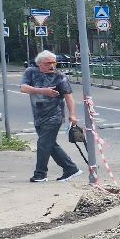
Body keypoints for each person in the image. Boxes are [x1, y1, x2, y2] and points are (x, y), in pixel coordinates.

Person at [19, 50, 80, 183]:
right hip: (38, 116)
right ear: (39, 63)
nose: (52, 66)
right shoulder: (31, 72)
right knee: (49, 145)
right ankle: (70, 169)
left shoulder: (59, 76)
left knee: (43, 144)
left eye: (54, 62)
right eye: (48, 63)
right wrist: (42, 91)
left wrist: (72, 115)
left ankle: (40, 174)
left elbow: (69, 97)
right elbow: (23, 88)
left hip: (55, 116)